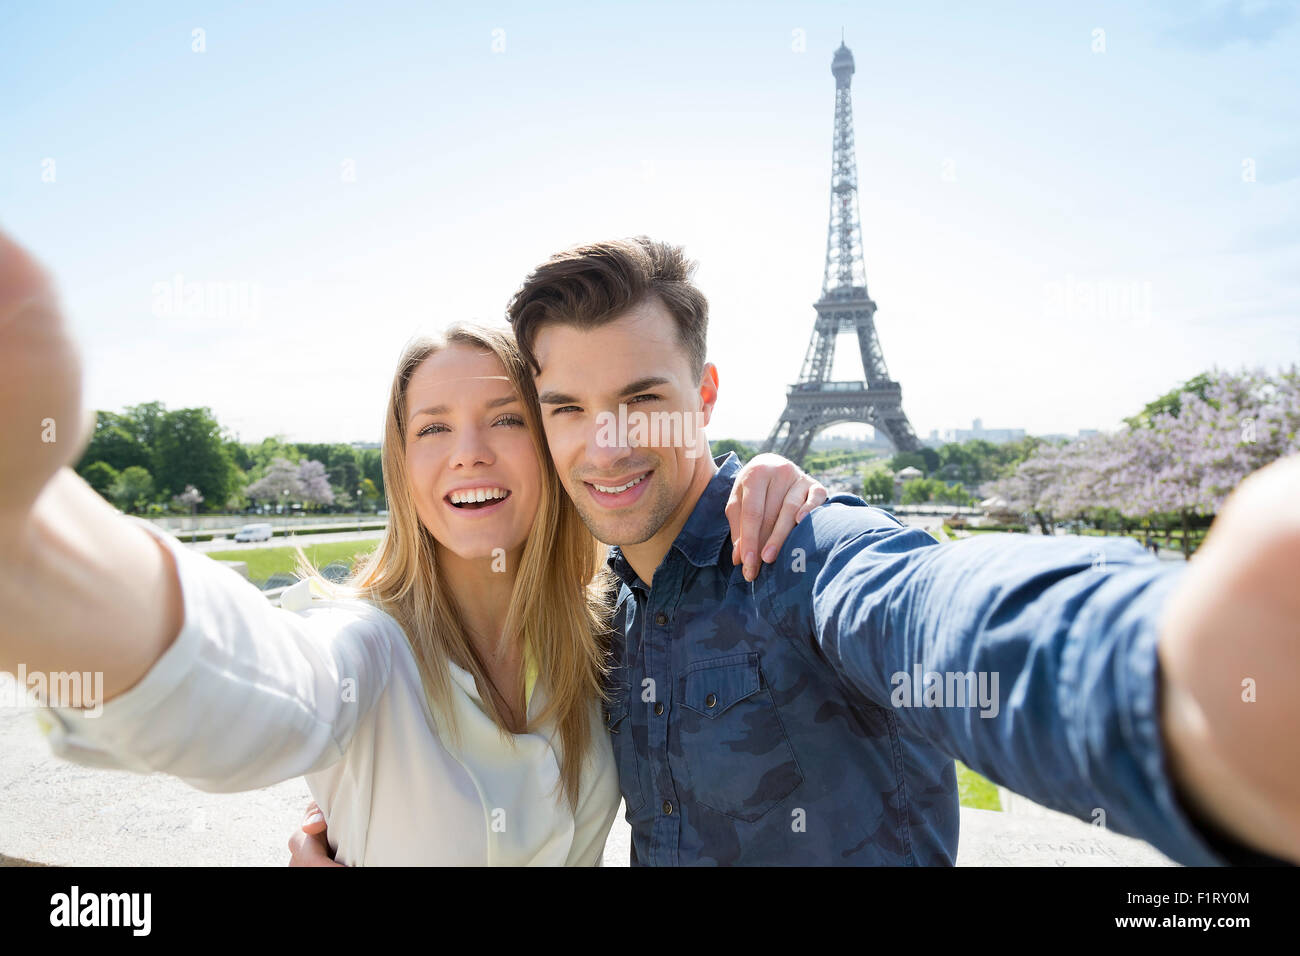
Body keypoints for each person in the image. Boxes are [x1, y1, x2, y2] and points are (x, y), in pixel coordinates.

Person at [286, 236, 1299, 867]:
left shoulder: (802, 550)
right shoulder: (605, 618)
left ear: (708, 394)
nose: (608, 444)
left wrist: (1168, 677)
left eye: (644, 400)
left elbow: (931, 606)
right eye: (566, 409)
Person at [0, 229, 827, 865]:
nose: (468, 452)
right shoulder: (368, 645)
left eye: (505, 418)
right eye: (433, 428)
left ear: (549, 438)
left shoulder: (606, 635)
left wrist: (756, 478)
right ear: (404, 463)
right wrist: (36, 556)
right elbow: (263, 693)